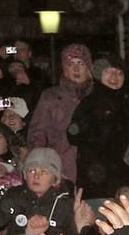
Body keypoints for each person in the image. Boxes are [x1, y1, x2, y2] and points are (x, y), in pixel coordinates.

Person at [71, 60, 129, 203]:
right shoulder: (89, 103)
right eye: (109, 72)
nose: (114, 77)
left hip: (124, 178)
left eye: (119, 73)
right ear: (99, 75)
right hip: (95, 180)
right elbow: (73, 135)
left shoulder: (128, 105)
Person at [28, 43, 95, 182]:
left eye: (81, 63)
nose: (76, 69)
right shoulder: (50, 97)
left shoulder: (98, 96)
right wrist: (42, 166)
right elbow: (37, 134)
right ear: (64, 68)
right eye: (71, 64)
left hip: (94, 171)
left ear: (88, 68)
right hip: (61, 169)